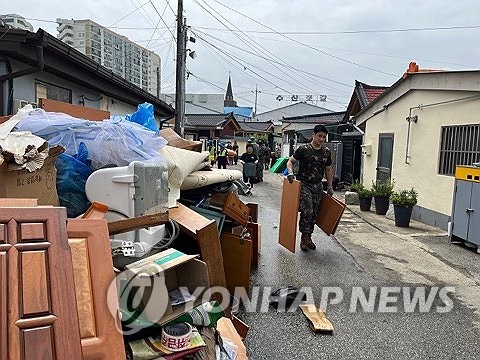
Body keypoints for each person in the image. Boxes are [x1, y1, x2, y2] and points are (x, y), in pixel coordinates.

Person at [285, 124, 333, 252]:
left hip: (318, 186)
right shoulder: (303, 149)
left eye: (324, 137)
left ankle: (309, 237)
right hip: (304, 184)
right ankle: (304, 238)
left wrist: (330, 186)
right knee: (307, 210)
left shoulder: (326, 152)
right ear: (313, 135)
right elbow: (290, 161)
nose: (321, 139)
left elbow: (328, 169)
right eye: (319, 136)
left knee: (315, 213)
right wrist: (290, 172)